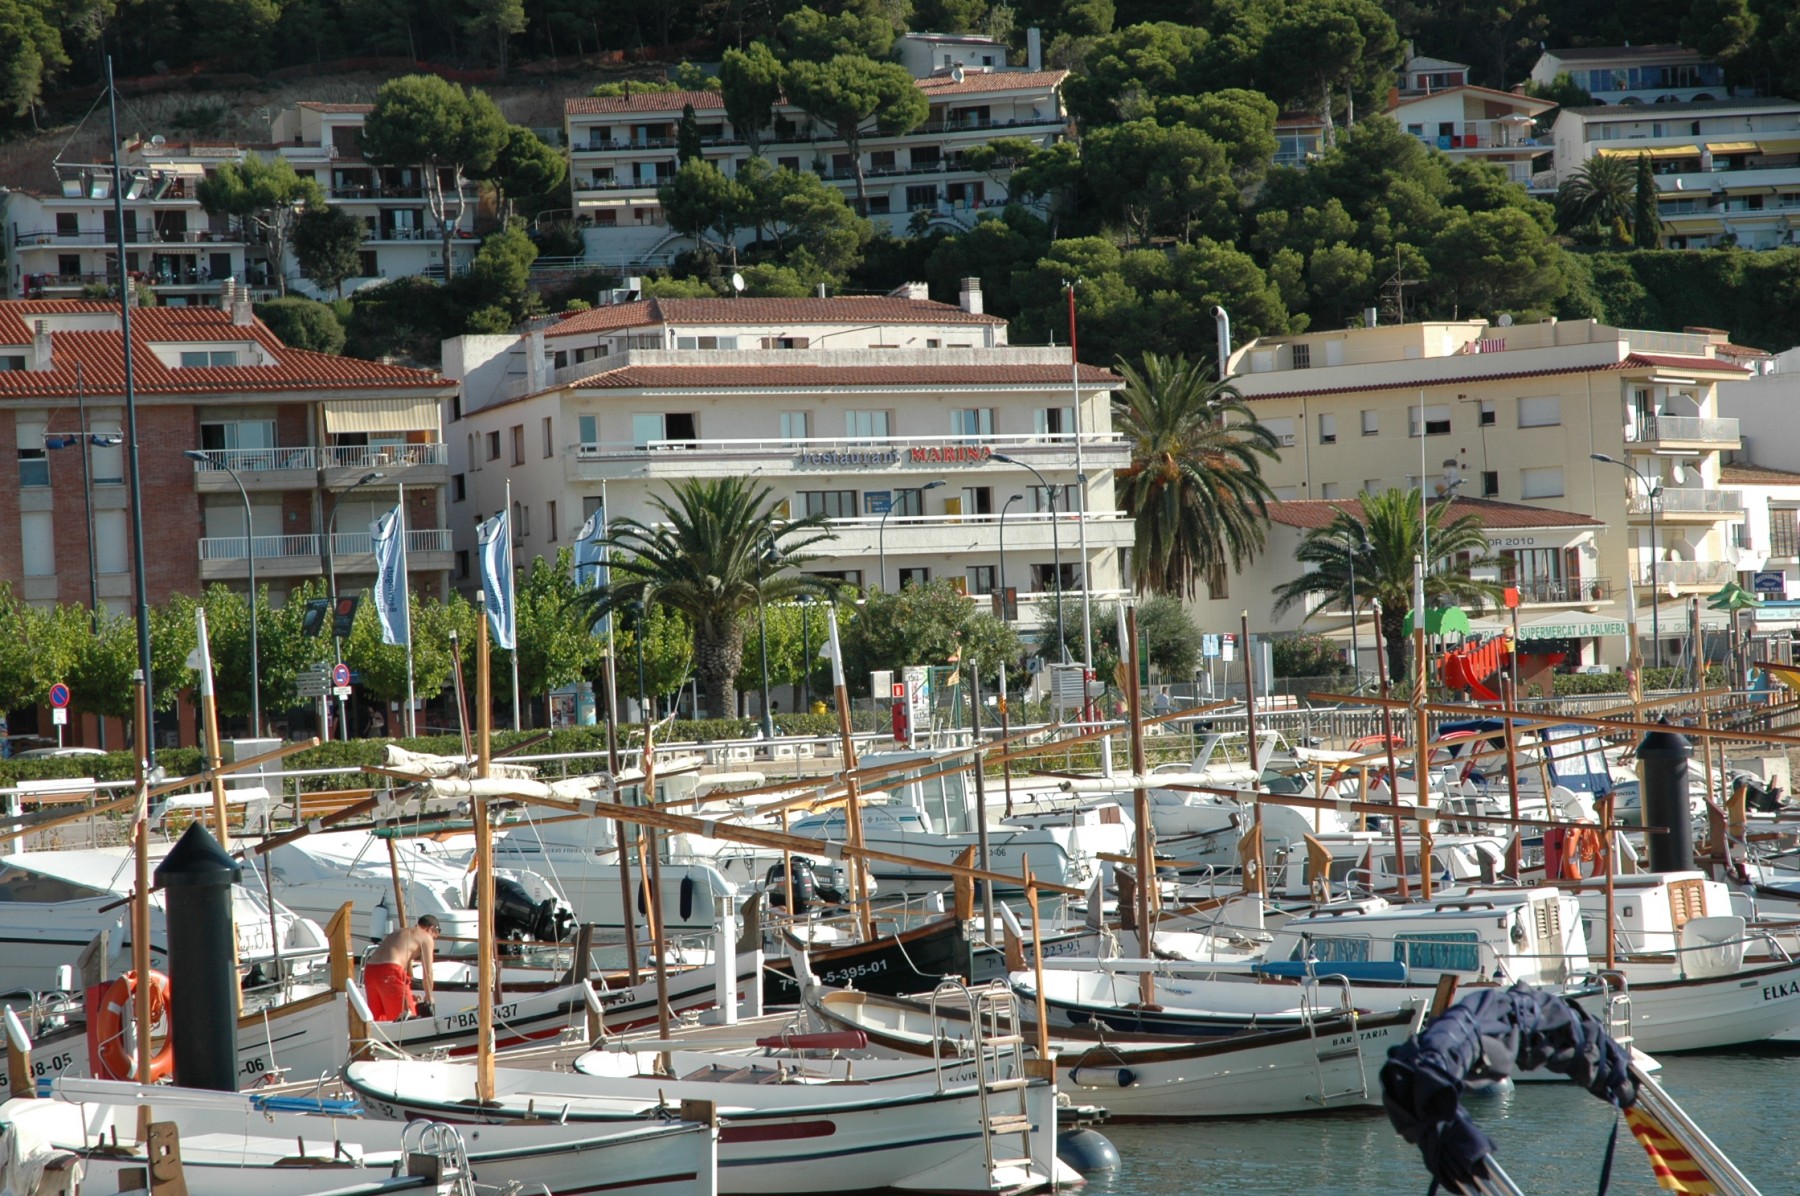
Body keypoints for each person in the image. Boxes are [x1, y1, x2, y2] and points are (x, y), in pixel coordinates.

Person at [363, 914, 440, 1021]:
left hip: (370, 970)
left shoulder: (399, 932)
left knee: (379, 1021)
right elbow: (428, 973)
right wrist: (428, 995)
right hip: (390, 971)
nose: (433, 940)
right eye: (435, 937)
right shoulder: (426, 937)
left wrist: (409, 995)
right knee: (406, 1020)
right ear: (431, 929)